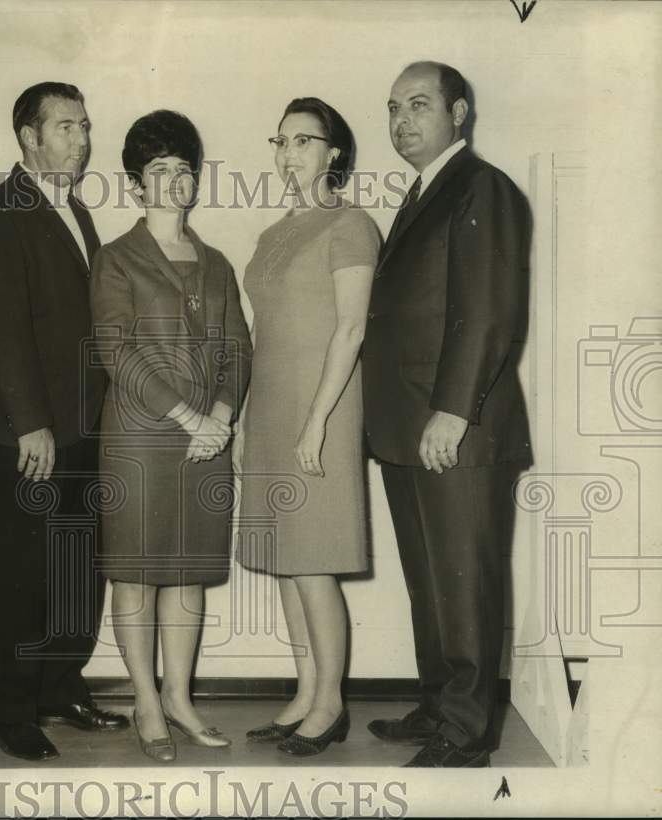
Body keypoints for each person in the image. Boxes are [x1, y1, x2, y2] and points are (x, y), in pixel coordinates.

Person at [362, 61, 532, 767]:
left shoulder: (482, 188)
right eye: (395, 107)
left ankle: (466, 734)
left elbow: (488, 311)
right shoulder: (425, 193)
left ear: (459, 113)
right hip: (410, 427)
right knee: (430, 580)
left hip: (455, 429)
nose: (403, 120)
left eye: (421, 105)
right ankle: (440, 706)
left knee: (462, 579)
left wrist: (452, 412)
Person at [0, 82, 128, 764]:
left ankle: (61, 688)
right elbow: (0, 328)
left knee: (76, 571)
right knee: (21, 573)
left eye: (85, 126)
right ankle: (12, 712)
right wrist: (30, 422)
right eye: (66, 127)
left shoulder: (74, 209)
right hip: (27, 434)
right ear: (29, 137)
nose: (82, 139)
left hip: (82, 427)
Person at [91, 109, 252, 762]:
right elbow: (116, 350)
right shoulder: (115, 258)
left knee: (187, 574)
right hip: (140, 440)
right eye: (159, 170)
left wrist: (221, 413)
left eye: (184, 170)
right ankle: (147, 704)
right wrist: (190, 419)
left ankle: (180, 699)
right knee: (136, 576)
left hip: (207, 442)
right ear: (137, 182)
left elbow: (239, 348)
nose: (173, 182)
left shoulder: (216, 263)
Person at [237, 98, 379, 757]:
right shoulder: (273, 234)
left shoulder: (350, 224)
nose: (289, 153)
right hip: (268, 407)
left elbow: (350, 329)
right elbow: (264, 333)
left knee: (314, 558)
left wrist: (317, 421)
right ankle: (303, 692)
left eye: (304, 141)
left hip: (321, 406)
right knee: (286, 562)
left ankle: (331, 703)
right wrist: (243, 419)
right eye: (282, 140)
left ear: (334, 154)